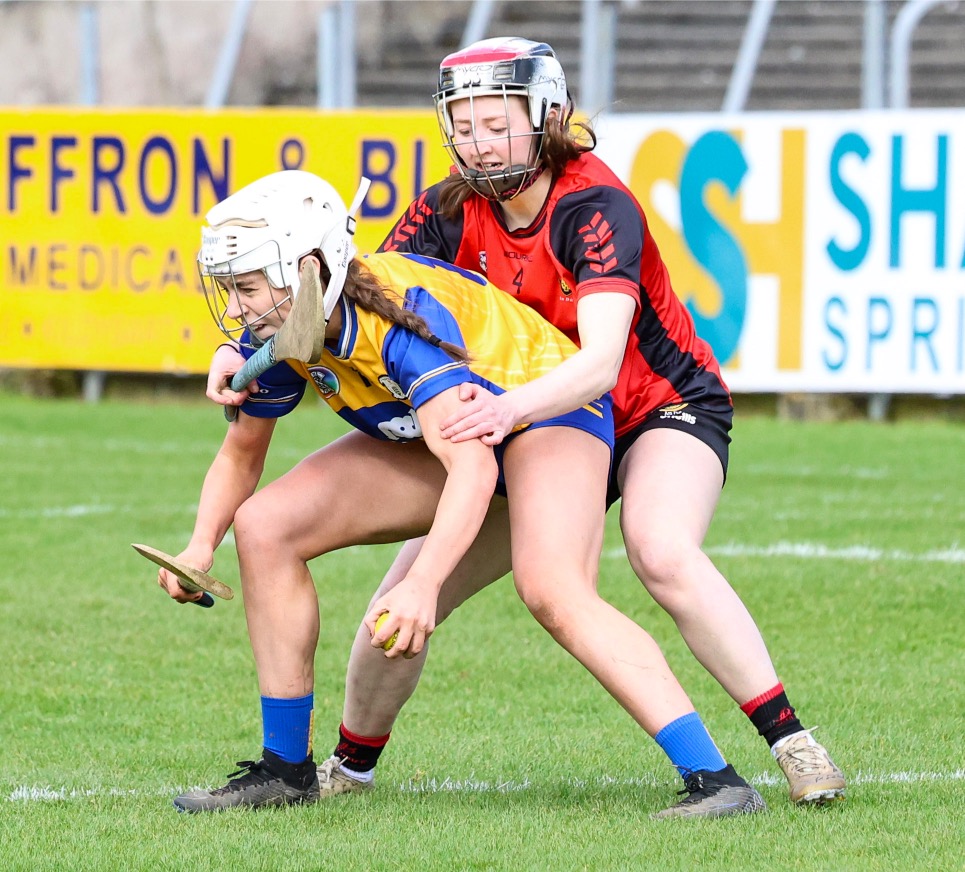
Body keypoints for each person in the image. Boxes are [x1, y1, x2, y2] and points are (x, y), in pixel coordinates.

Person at [208, 38, 844, 808]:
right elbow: (361, 295)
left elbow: (600, 363)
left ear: (546, 116)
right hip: (520, 419)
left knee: (655, 550)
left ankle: (789, 741)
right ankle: (345, 770)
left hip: (649, 405)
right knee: (398, 604)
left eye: (495, 123)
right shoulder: (445, 207)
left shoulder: (593, 205)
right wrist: (245, 347)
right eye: (462, 125)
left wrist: (503, 412)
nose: (477, 142)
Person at [165, 168, 764, 817]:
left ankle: (717, 779)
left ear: (307, 270)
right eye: (229, 288)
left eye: (247, 288)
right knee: (264, 526)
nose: (235, 309)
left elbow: (473, 469)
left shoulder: (401, 321)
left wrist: (423, 583)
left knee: (554, 590)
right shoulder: (286, 328)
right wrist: (199, 547)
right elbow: (241, 453)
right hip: (457, 435)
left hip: (545, 417)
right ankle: (286, 770)